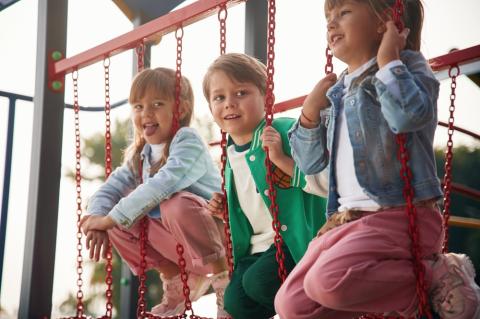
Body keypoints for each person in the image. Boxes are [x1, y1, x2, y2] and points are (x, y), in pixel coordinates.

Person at [275, 1, 480, 318]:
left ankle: (435, 274)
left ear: (385, 21)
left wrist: (387, 61)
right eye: (328, 17)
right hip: (345, 220)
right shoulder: (337, 91)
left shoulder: (407, 67)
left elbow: (407, 117)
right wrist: (309, 115)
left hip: (399, 214)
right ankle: (390, 298)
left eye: (343, 13)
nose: (331, 24)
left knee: (326, 283)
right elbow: (311, 164)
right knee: (291, 305)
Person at [79, 67, 230, 318]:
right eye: (138, 107)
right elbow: (109, 189)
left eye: (157, 104)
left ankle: (224, 281)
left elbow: (163, 184)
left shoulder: (187, 141)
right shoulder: (141, 155)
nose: (146, 114)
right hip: (183, 248)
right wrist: (98, 219)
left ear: (179, 109)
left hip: (220, 239)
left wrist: (111, 216)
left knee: (174, 204)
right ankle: (179, 281)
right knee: (117, 218)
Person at [202, 52, 328, 319]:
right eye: (219, 97)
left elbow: (321, 181)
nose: (229, 104)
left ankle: (318, 302)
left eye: (241, 93)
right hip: (257, 247)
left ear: (266, 98)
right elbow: (252, 204)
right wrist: (226, 210)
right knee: (235, 302)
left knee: (257, 283)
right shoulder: (229, 154)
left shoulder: (284, 131)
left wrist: (281, 159)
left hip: (295, 242)